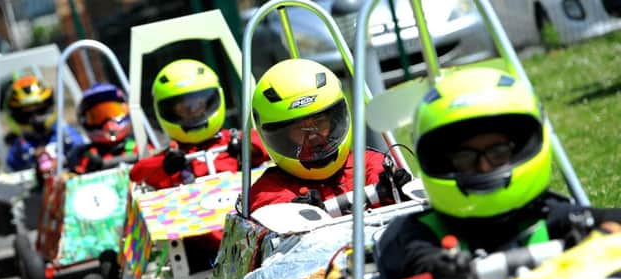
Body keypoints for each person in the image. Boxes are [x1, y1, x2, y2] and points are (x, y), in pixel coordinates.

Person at [374, 67, 621, 279]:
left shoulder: (547, 215)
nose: (483, 167)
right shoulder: (416, 233)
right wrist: (441, 271)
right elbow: (410, 258)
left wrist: (601, 236)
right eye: (465, 157)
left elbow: (603, 219)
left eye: (498, 152)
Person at [248, 58, 410, 213]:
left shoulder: (368, 164)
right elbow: (271, 212)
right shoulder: (268, 191)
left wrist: (401, 190)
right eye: (299, 129)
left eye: (319, 122)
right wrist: (296, 214)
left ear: (335, 120)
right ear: (281, 137)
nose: (313, 136)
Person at [129, 59, 269, 189]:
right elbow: (137, 174)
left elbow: (271, 144)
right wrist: (165, 166)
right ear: (169, 111)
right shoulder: (173, 155)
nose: (192, 111)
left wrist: (247, 148)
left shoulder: (232, 140)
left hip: (240, 207)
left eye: (198, 103)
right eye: (183, 108)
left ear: (211, 101)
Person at [4, 75, 84, 173]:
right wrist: (33, 157)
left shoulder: (65, 134)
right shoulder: (19, 145)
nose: (35, 119)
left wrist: (62, 162)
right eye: (27, 114)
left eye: (39, 110)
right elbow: (11, 169)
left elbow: (81, 151)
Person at [70, 83, 137, 174]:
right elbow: (73, 179)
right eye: (97, 116)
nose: (108, 123)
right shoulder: (86, 157)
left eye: (114, 112)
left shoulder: (139, 146)